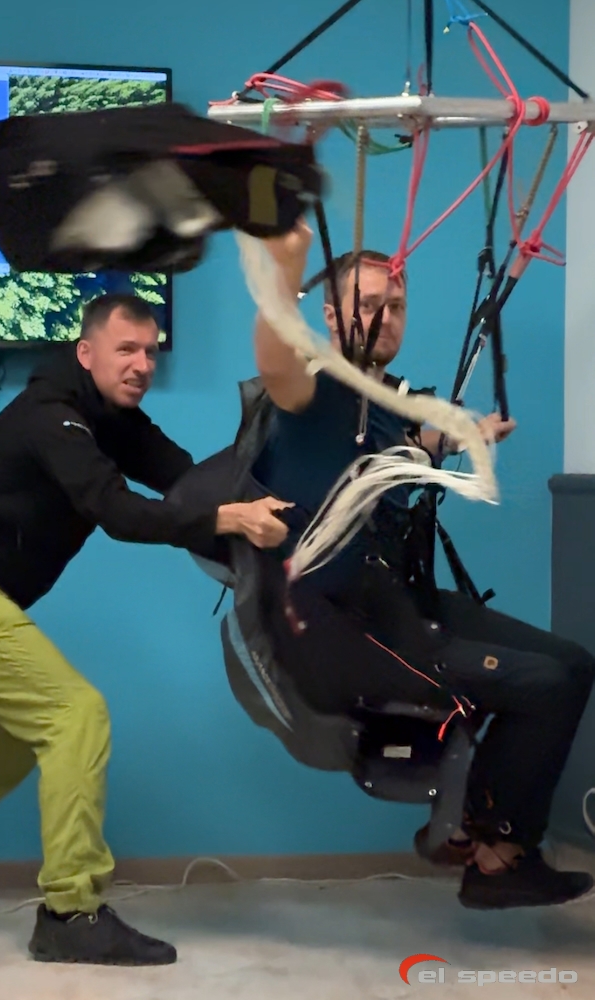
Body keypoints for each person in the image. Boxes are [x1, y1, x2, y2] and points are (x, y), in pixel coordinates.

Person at [250, 219, 595, 910]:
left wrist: (463, 436)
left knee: (573, 663)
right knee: (542, 684)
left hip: (395, 603)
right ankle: (492, 851)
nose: (385, 317)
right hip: (337, 628)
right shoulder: (317, 393)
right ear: (330, 317)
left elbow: (406, 445)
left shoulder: (384, 401)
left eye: (397, 305)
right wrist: (282, 272)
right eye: (367, 303)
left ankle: (476, 833)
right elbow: (276, 365)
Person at [0, 293, 291, 965]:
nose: (142, 364)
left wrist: (279, 500)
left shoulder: (115, 420)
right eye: (126, 350)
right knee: (74, 716)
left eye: (150, 352)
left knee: (16, 739)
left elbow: (187, 482)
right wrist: (228, 520)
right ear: (86, 353)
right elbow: (118, 513)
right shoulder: (53, 418)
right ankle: (70, 912)